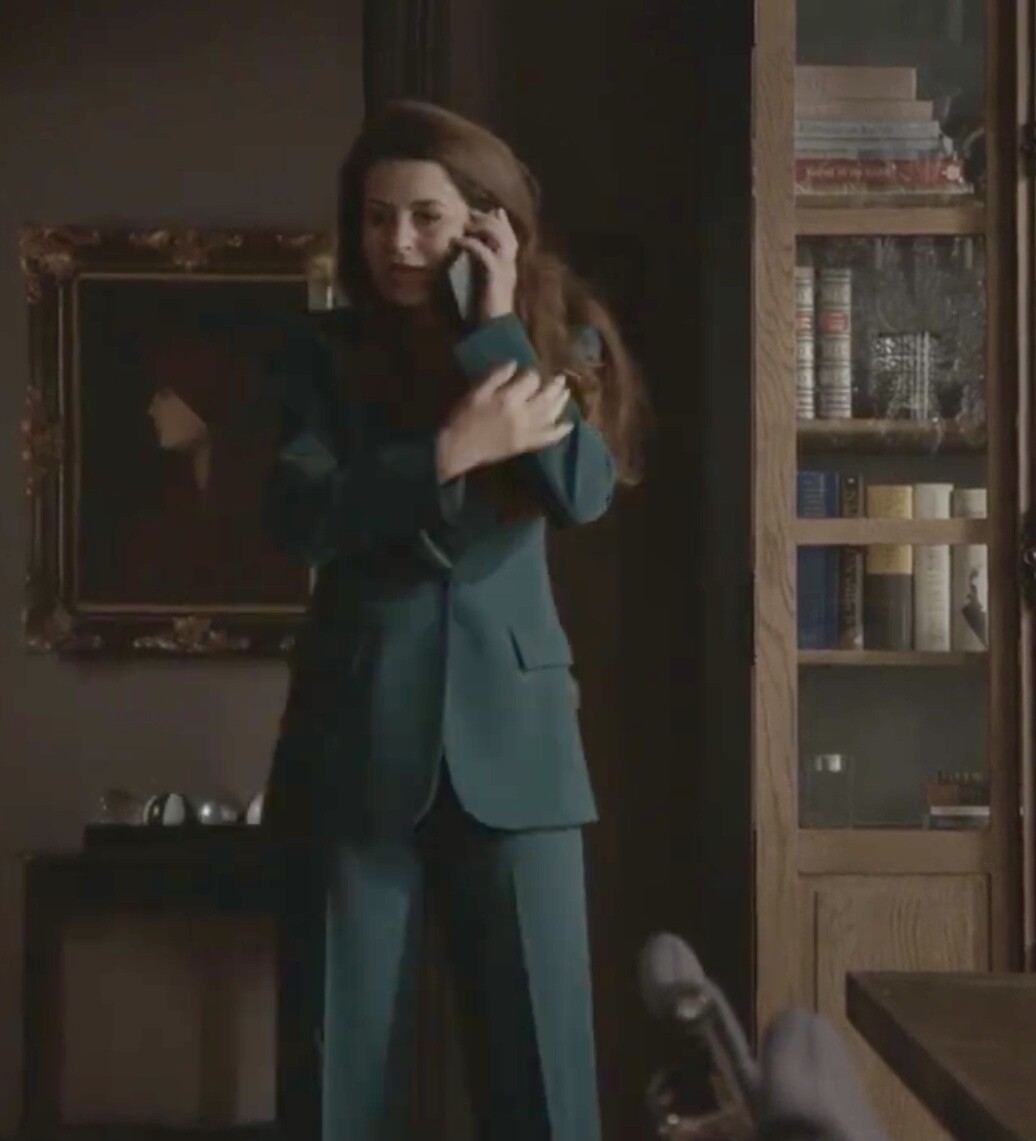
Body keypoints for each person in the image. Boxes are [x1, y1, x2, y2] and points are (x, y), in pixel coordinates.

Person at [262, 99, 648, 1141]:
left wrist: (495, 331)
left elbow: (581, 492)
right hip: (352, 741)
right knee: (335, 1090)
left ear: (486, 223)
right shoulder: (318, 354)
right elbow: (298, 515)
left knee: (545, 1089)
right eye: (376, 216)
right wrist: (448, 453)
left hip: (517, 749)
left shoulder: (551, 342)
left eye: (424, 217)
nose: (396, 242)